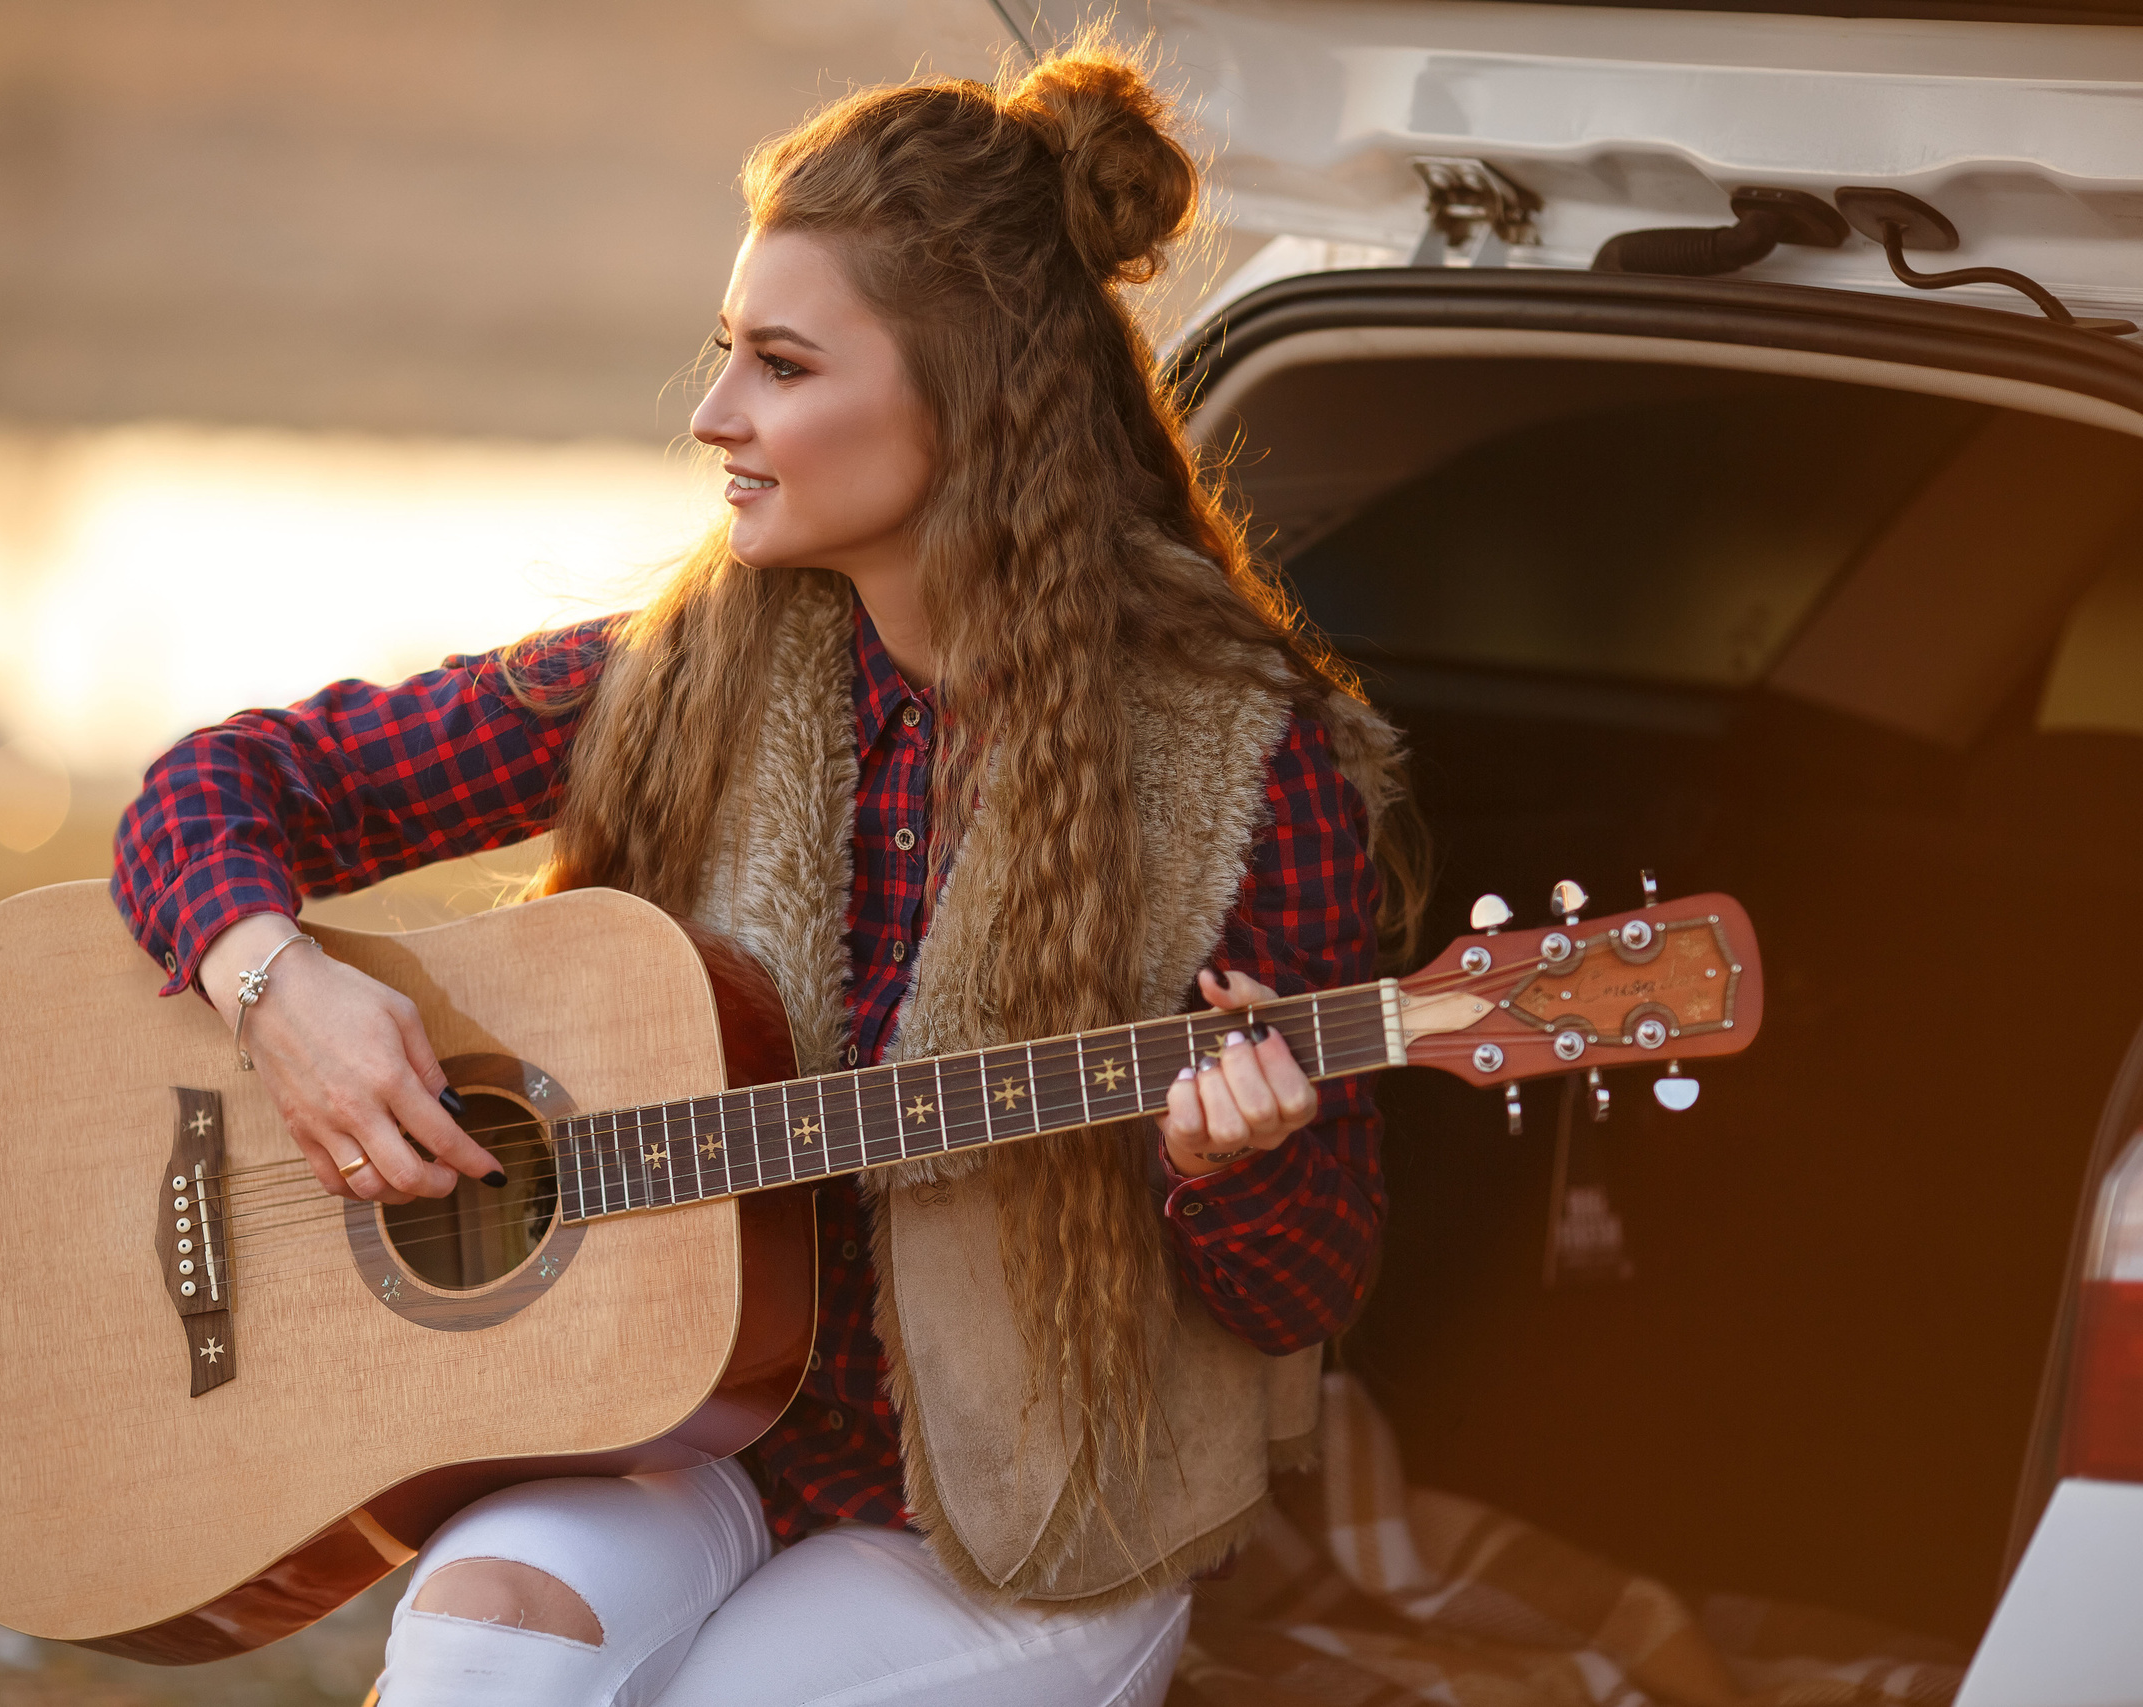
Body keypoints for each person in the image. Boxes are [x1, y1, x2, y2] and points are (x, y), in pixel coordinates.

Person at [112, 36, 1411, 1707]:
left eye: (782, 366)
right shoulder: (686, 674)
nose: (716, 415)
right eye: (726, 352)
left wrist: (1239, 1169)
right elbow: (220, 785)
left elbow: (1317, 1281)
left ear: (975, 398)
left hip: (1025, 1511)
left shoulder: (1244, 764)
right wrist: (282, 994)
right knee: (474, 1655)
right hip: (670, 1424)